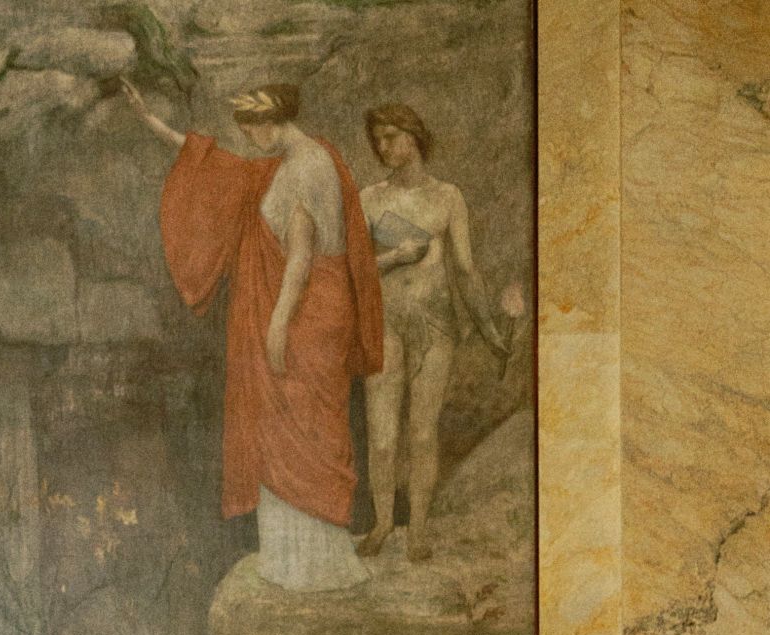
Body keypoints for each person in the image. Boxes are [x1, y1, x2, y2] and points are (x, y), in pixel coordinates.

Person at [123, 79, 383, 591]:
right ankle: (298, 562)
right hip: (313, 307)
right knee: (296, 425)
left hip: (308, 311)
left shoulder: (305, 167)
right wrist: (154, 124)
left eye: (252, 130)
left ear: (271, 121)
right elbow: (222, 169)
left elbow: (302, 257)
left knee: (302, 427)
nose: (248, 141)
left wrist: (278, 325)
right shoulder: (296, 161)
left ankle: (312, 567)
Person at [359, 104, 521, 563]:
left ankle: (418, 530)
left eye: (392, 136)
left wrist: (489, 328)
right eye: (378, 138)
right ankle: (383, 522)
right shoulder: (369, 198)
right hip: (384, 324)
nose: (383, 146)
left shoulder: (448, 197)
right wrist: (393, 258)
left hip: (435, 326)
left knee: (423, 433)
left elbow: (466, 270)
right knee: (383, 435)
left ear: (415, 136)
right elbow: (351, 272)